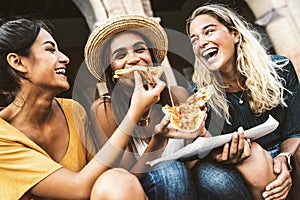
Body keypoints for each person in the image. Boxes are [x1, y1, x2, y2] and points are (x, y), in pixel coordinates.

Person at [0, 17, 166, 199]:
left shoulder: (73, 111)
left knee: (118, 180)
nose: (65, 58)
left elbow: (111, 175)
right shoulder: (3, 136)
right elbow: (78, 188)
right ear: (18, 62)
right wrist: (134, 113)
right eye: (50, 50)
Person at [84, 15, 209, 200]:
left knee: (216, 176)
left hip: (186, 181)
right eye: (120, 55)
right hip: (145, 188)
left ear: (151, 58)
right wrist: (158, 141)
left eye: (140, 50)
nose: (133, 59)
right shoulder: (104, 110)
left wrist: (201, 134)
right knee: (170, 171)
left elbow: (193, 158)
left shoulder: (178, 95)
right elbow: (127, 179)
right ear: (113, 70)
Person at [185, 4, 300, 200]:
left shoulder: (280, 69)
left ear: (235, 35)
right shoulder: (199, 96)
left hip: (284, 150)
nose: (201, 42)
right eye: (194, 40)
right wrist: (217, 153)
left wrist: (285, 157)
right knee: (251, 157)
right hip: (247, 164)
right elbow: (198, 152)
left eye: (209, 31)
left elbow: (294, 131)